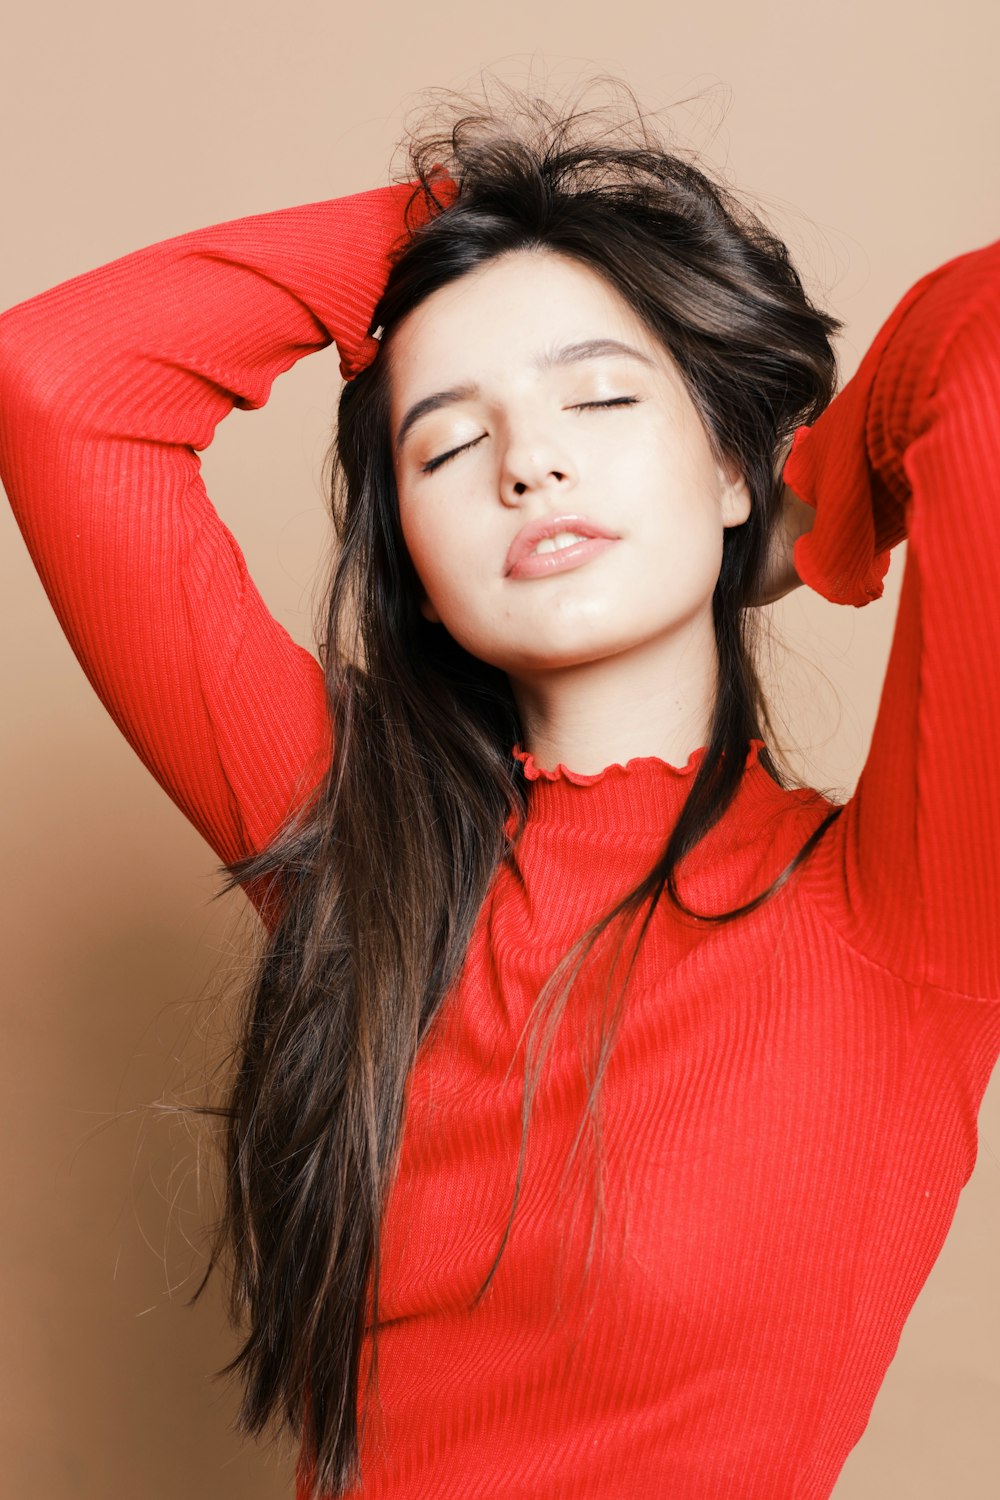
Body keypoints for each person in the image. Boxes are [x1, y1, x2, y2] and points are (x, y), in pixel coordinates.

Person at [1, 80, 998, 1500]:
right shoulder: (354, 846)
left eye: (596, 395)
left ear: (727, 461)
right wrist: (451, 224)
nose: (530, 460)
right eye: (449, 444)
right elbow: (63, 386)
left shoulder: (907, 911)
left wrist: (821, 498)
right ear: (412, 551)